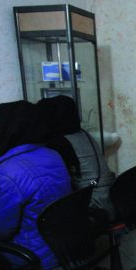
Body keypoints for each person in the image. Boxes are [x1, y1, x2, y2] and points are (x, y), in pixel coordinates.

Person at [0, 100, 72, 270]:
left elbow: (0, 231)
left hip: (33, 254)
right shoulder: (53, 155)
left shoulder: (7, 172)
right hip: (62, 243)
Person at [36, 95, 116, 225]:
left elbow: (57, 181)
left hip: (94, 204)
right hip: (107, 198)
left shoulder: (61, 142)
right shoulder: (83, 134)